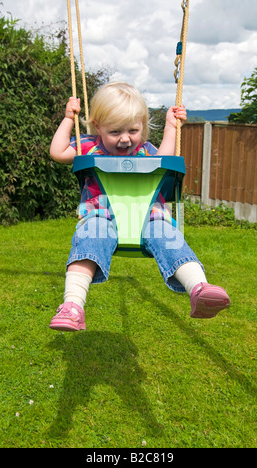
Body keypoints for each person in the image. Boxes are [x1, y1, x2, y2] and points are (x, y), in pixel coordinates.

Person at [49, 82, 230, 332]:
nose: (125, 139)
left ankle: (199, 288)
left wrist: (170, 126)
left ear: (143, 126)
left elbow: (165, 159)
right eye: (115, 132)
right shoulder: (89, 146)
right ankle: (72, 306)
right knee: (90, 237)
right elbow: (58, 152)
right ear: (98, 126)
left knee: (168, 237)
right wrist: (69, 118)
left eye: (133, 130)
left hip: (148, 218)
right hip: (101, 217)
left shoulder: (145, 151)